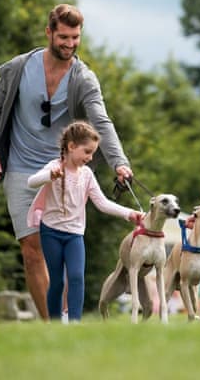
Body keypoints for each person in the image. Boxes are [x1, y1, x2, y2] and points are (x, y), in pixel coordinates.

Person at [0, 3, 134, 321]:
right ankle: (50, 324)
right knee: (31, 250)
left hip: (65, 174)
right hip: (22, 171)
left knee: (60, 254)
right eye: (63, 36)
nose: (69, 44)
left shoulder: (84, 78)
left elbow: (101, 122)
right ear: (49, 32)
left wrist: (119, 162)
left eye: (75, 37)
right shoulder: (19, 68)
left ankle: (64, 318)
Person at [27, 121, 143, 322]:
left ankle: (74, 322)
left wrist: (129, 213)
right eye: (87, 152)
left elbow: (102, 203)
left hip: (74, 235)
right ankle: (53, 323)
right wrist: (49, 176)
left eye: (92, 153)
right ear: (71, 147)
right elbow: (31, 182)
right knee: (56, 281)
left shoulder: (87, 174)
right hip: (51, 232)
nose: (90, 158)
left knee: (76, 277)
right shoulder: (55, 167)